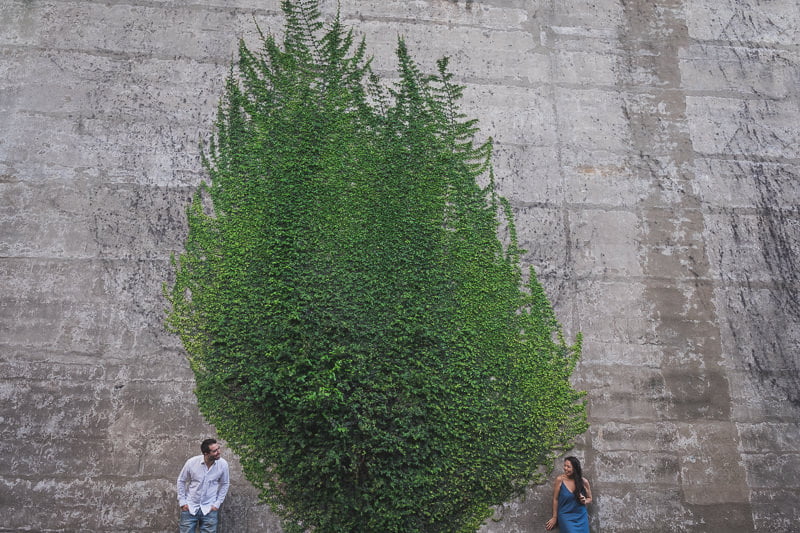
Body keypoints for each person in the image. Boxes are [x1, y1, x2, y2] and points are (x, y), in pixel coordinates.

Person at [177, 438, 230, 533]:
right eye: (215, 451)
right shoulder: (192, 462)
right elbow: (181, 480)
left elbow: (225, 484)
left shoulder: (223, 464)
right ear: (206, 453)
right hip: (190, 507)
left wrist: (217, 504)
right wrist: (182, 502)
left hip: (209, 508)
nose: (219, 452)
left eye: (218, 448)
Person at [545, 456, 592, 532]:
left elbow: (590, 498)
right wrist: (554, 517)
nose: (565, 468)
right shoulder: (560, 480)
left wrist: (585, 501)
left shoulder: (584, 482)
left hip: (581, 516)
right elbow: (555, 499)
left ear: (575, 468)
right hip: (565, 516)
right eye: (565, 466)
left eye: (568, 467)